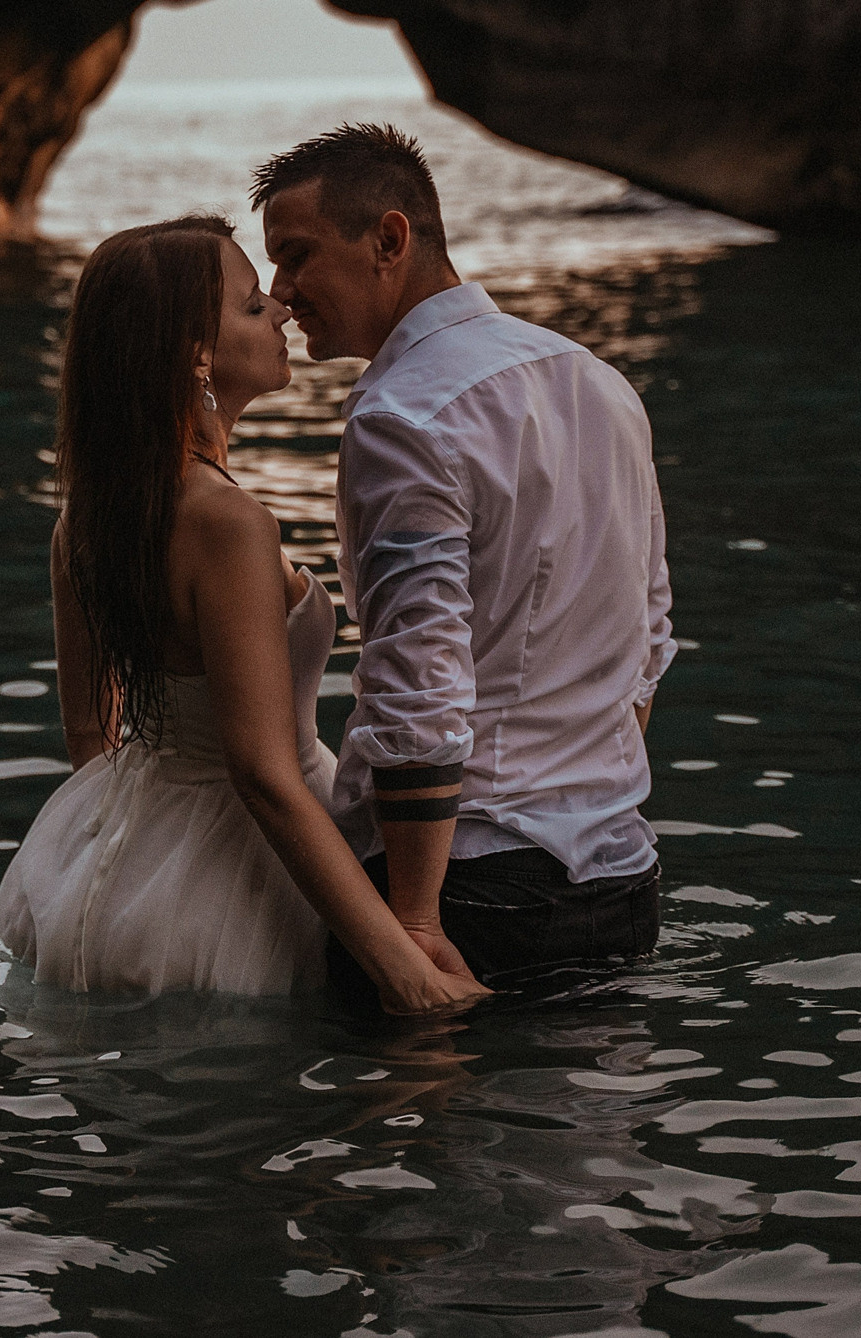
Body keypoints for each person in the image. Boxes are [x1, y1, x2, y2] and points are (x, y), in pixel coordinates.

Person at [0, 215, 489, 1015]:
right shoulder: (229, 524)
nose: (282, 310)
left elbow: (91, 736)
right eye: (255, 305)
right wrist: (407, 974)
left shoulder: (84, 519)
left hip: (120, 864)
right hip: (241, 874)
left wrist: (126, 861)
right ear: (197, 355)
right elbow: (262, 774)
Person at [253, 124, 675, 993]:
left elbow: (419, 676)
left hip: (470, 887)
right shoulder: (600, 382)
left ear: (390, 239)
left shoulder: (403, 417)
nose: (281, 293)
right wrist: (582, 794)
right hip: (622, 876)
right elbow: (649, 637)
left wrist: (409, 921)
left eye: (297, 256)